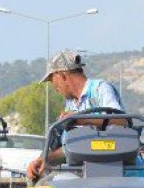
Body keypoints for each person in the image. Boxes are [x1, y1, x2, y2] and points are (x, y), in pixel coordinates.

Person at [26, 50, 129, 180]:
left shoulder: (101, 89)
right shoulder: (71, 105)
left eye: (53, 81)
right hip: (87, 175)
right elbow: (69, 147)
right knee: (45, 185)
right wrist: (43, 160)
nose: (55, 88)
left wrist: (80, 119)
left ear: (62, 75)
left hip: (121, 172)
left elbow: (121, 121)